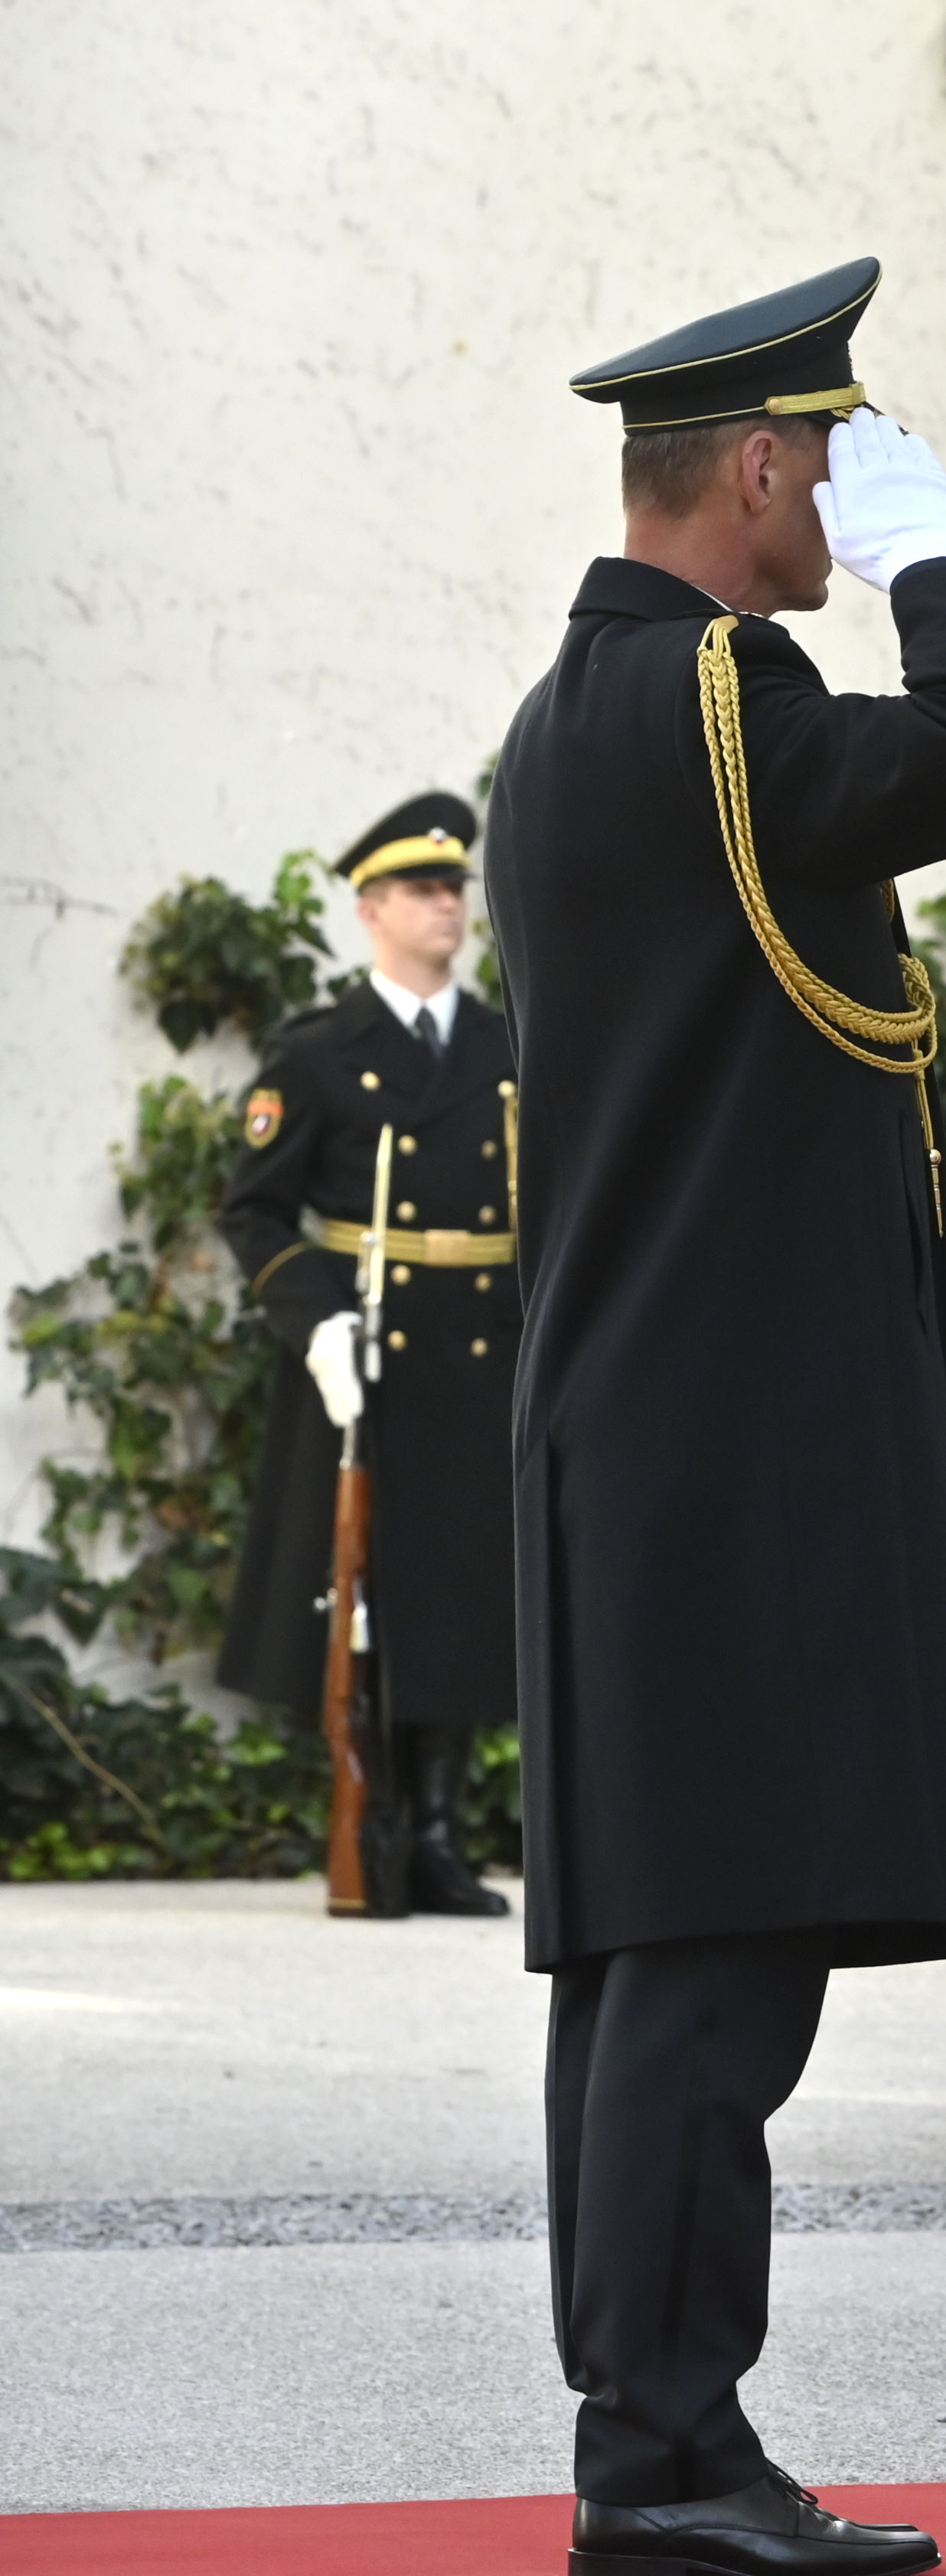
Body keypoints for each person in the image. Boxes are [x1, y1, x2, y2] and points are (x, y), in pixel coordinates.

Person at [486, 259, 946, 2576]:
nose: (841, 498)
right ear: (751, 469)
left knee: (675, 1950)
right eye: (828, 462)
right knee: (714, 1953)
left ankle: (651, 2423)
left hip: (667, 1420)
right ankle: (660, 2446)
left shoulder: (591, 706)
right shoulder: (712, 685)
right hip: (720, 1437)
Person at [214, 795, 521, 1919]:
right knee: (363, 1599)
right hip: (367, 1354)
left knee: (465, 1598)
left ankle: (438, 1833)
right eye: (424, 891)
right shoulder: (319, 1050)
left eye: (454, 888)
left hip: (483, 1354)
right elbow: (254, 1213)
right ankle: (373, 1821)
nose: (449, 905)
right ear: (372, 909)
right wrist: (318, 1318)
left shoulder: (507, 1040)